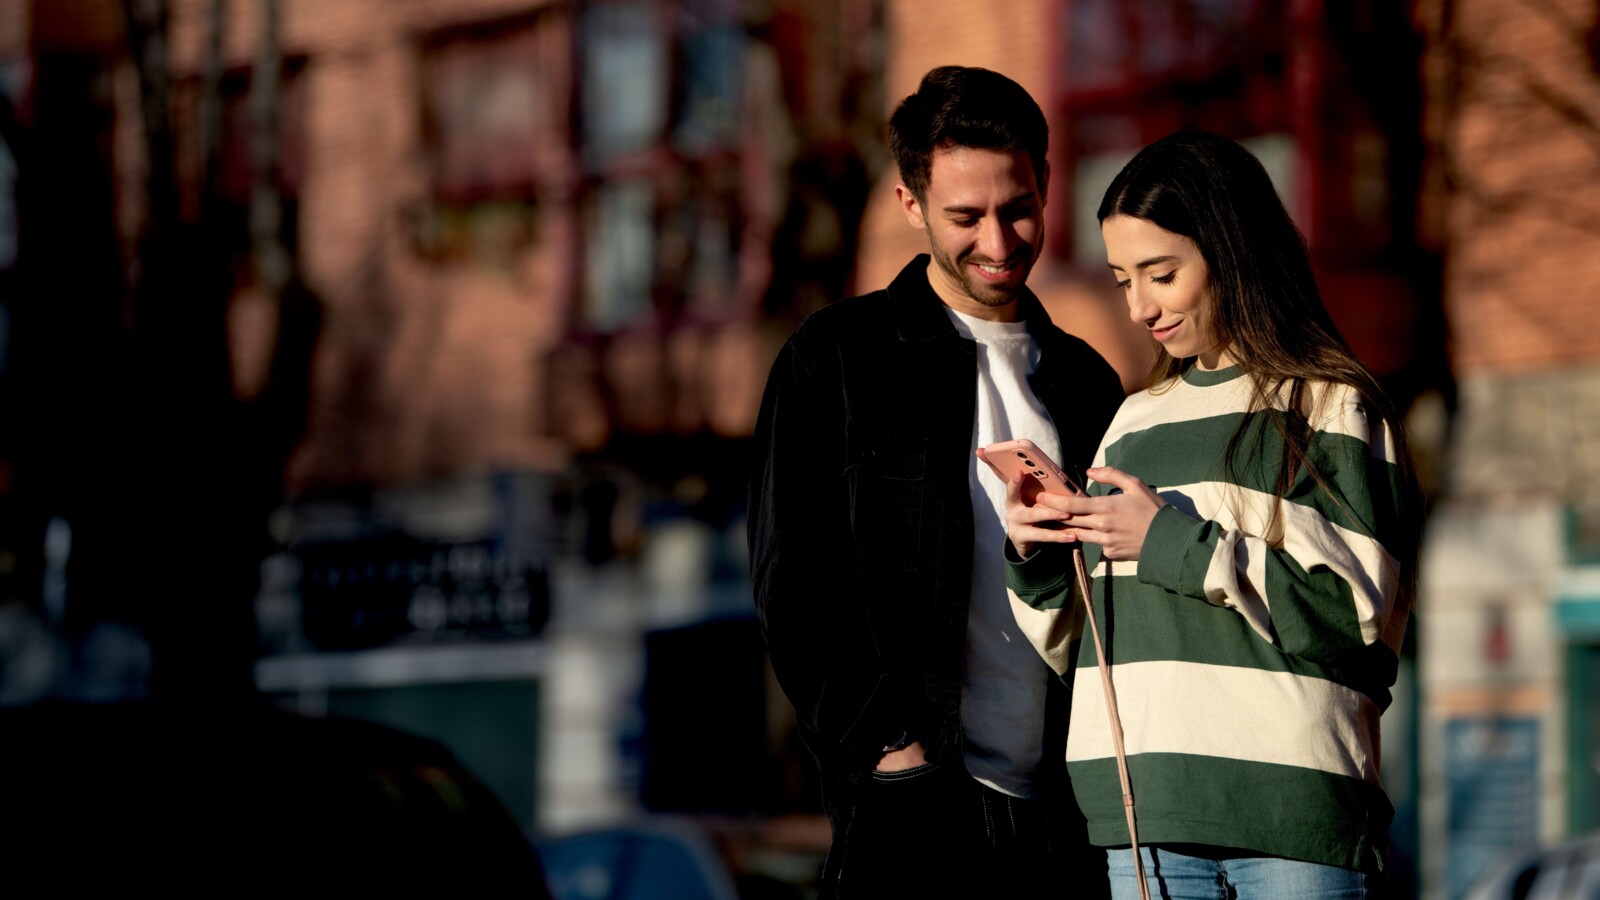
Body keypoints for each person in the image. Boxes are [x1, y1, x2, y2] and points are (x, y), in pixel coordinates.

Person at [1001, 129, 1422, 898]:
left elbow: (1357, 618)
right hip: (1143, 820)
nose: (1139, 308)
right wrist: (1035, 554)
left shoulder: (1331, 405)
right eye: (1123, 278)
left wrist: (1172, 542)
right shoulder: (1131, 421)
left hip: (1295, 821)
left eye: (1161, 274)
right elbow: (1080, 646)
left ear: (1231, 251)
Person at [748, 65, 1124, 898]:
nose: (998, 243)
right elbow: (792, 583)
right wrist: (891, 751)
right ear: (910, 204)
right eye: (965, 216)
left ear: (1048, 181)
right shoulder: (836, 360)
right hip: (910, 821)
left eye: (1019, 207)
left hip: (1071, 828)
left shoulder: (1090, 383)